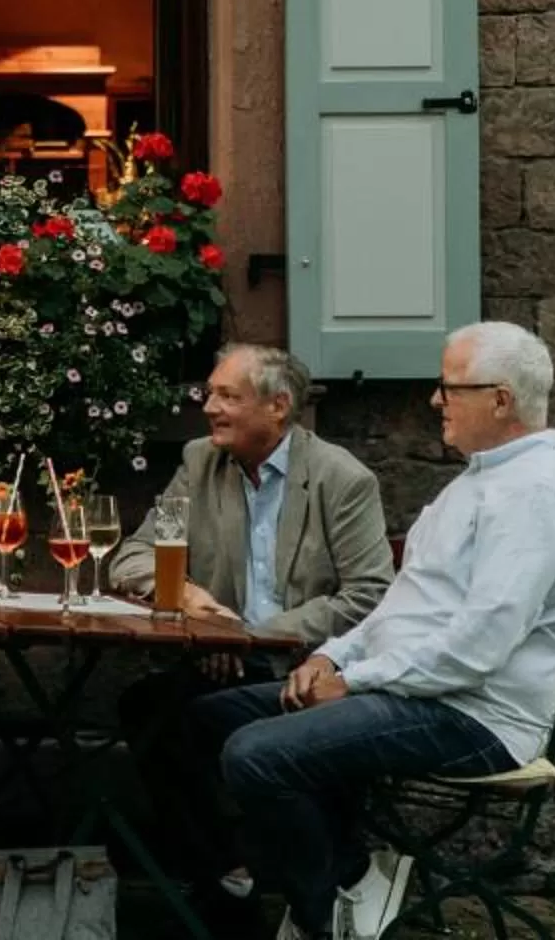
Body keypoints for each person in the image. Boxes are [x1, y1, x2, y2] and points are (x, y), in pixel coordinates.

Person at [191, 322, 555, 940]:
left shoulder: (534, 496)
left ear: (501, 399)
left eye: (449, 387)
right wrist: (332, 658)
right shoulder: (480, 480)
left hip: (473, 715)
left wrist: (354, 680)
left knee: (258, 754)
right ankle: (350, 874)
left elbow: (476, 649)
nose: (435, 400)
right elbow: (399, 609)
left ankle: (326, 913)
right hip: (413, 690)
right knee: (203, 721)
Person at [104, 343, 395, 907]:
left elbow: (371, 594)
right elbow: (134, 556)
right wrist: (189, 598)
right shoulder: (199, 463)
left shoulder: (341, 479)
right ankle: (223, 869)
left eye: (227, 396)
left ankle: (317, 873)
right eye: (209, 393)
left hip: (305, 666)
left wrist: (251, 636)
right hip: (222, 657)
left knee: (194, 721)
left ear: (278, 407)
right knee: (147, 707)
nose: (210, 406)